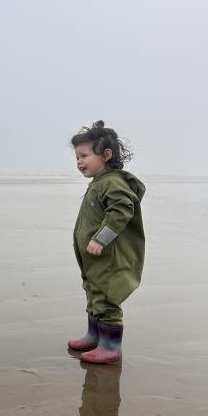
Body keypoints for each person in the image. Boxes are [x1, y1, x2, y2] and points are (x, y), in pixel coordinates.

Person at [68, 121, 145, 364]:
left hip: (107, 256)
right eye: (77, 157)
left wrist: (101, 239)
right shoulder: (99, 182)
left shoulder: (112, 182)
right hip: (93, 258)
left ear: (106, 155)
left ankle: (111, 348)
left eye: (84, 155)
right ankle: (94, 336)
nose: (79, 161)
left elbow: (123, 208)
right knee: (93, 292)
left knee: (107, 298)